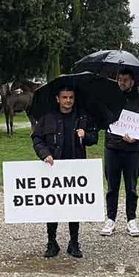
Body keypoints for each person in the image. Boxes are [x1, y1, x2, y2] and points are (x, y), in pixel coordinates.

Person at [32, 84, 98, 258]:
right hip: (54, 168)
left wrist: (85, 135)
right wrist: (45, 154)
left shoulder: (82, 117)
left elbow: (94, 138)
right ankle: (51, 242)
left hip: (76, 168)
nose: (68, 101)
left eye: (71, 97)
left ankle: (74, 242)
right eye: (64, 97)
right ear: (57, 99)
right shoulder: (48, 118)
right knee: (52, 206)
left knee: (74, 206)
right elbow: (37, 139)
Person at [101, 70, 139, 238]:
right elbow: (105, 121)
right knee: (112, 187)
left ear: (132, 82)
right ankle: (110, 219)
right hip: (112, 148)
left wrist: (137, 137)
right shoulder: (110, 98)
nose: (122, 82)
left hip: (132, 151)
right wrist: (118, 135)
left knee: (131, 187)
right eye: (119, 79)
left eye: (125, 80)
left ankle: (132, 219)